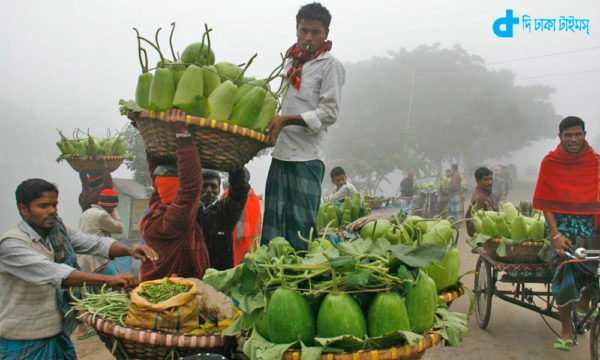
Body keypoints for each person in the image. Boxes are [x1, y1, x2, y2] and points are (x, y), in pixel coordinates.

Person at [0, 178, 157, 359]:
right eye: (43, 206)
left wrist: (130, 250)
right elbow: (55, 274)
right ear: (23, 209)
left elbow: (93, 243)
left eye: (54, 205)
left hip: (56, 334)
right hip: (23, 339)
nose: (52, 211)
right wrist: (110, 280)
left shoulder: (58, 230)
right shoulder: (12, 244)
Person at [262, 2, 345, 250]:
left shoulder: (331, 65)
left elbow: (329, 112)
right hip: (281, 156)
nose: (308, 37)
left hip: (306, 158)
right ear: (297, 30)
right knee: (273, 231)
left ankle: (300, 287)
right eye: (303, 30)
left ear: (326, 35)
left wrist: (286, 121)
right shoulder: (289, 64)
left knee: (300, 235)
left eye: (315, 32)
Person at [532, 116, 600, 351]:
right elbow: (545, 202)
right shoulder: (550, 162)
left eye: (578, 134)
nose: (574, 139)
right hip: (560, 225)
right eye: (568, 135)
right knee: (564, 266)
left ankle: (585, 299)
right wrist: (555, 235)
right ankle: (566, 328)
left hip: (590, 224)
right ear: (560, 136)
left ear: (584, 134)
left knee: (596, 264)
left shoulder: (596, 162)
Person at [139, 109, 210, 281]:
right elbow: (191, 187)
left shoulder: (157, 208)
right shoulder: (174, 222)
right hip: (173, 296)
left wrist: (150, 138)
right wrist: (183, 136)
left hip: (155, 287)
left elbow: (156, 177)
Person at [197, 168, 249, 271]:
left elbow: (238, 193)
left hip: (221, 275)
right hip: (195, 273)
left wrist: (235, 168)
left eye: (213, 186)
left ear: (219, 190)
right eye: (205, 186)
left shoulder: (226, 211)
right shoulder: (189, 212)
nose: (209, 190)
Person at [78, 188, 125, 275]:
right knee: (119, 282)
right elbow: (120, 228)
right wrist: (114, 212)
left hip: (84, 259)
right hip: (97, 261)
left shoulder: (86, 213)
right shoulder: (102, 215)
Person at [220, 168, 261, 267]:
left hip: (240, 250)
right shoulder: (254, 198)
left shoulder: (238, 198)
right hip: (253, 250)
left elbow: (242, 234)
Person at [465, 167, 497, 237]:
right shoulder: (480, 198)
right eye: (486, 179)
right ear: (477, 181)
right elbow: (474, 224)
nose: (490, 182)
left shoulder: (486, 193)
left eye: (491, 179)